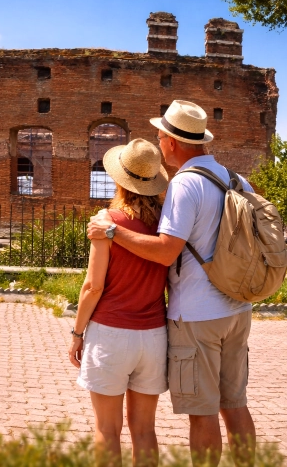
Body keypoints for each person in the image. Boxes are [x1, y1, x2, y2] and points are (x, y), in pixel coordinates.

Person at [86, 100, 256, 467]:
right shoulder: (236, 180)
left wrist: (113, 231)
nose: (159, 143)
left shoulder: (185, 183)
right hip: (238, 307)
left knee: (203, 411)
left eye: (161, 137)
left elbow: (166, 252)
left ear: (173, 142)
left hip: (198, 314)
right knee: (235, 404)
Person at [68, 138, 169, 467]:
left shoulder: (107, 222)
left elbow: (93, 286)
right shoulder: (166, 225)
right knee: (145, 430)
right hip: (154, 336)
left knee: (107, 429)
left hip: (110, 334)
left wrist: (77, 333)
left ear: (119, 179)